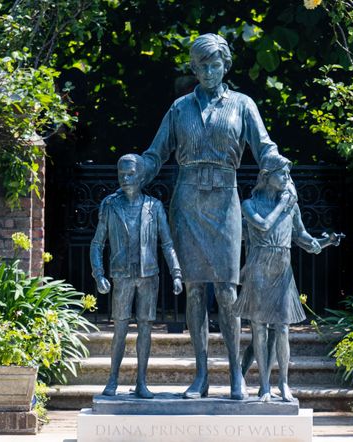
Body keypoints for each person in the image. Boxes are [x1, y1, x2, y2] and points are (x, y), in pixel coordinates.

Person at [139, 33, 293, 400]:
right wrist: (132, 175)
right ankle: (202, 375)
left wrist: (277, 163)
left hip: (225, 202)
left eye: (215, 64)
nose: (208, 71)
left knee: (227, 291)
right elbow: (155, 154)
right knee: (194, 292)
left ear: (225, 66)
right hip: (188, 201)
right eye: (201, 65)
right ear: (193, 68)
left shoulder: (242, 105)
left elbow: (264, 146)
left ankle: (237, 375)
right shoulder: (179, 109)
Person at [234, 156, 343, 402]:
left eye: (287, 174)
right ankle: (263, 386)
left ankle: (283, 382)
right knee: (259, 329)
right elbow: (262, 225)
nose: (286, 179)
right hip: (258, 267)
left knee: (282, 328)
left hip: (282, 269)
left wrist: (322, 243)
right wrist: (283, 206)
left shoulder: (290, 205)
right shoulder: (250, 204)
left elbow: (301, 235)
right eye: (282, 174)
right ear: (267, 176)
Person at [90, 153, 183, 399]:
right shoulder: (110, 205)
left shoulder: (154, 207)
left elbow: (167, 243)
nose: (125, 178)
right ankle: (112, 379)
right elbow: (97, 244)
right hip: (121, 275)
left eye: (131, 174)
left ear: (141, 176)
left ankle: (141, 382)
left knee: (145, 328)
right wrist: (98, 274)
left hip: (148, 276)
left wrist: (176, 273)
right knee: (119, 329)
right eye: (122, 174)